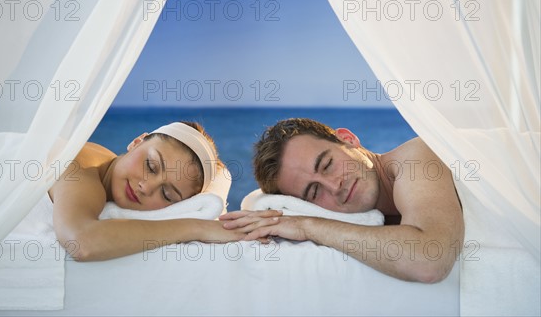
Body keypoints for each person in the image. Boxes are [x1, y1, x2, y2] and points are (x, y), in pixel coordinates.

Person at [220, 118, 464, 283]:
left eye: (327, 164)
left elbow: (430, 259)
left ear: (348, 140)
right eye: (314, 192)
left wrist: (306, 226)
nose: (334, 185)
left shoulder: (415, 158)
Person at [49, 121, 279, 261]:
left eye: (167, 195)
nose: (146, 187)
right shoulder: (82, 165)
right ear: (137, 142)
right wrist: (198, 227)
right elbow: (81, 242)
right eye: (150, 165)